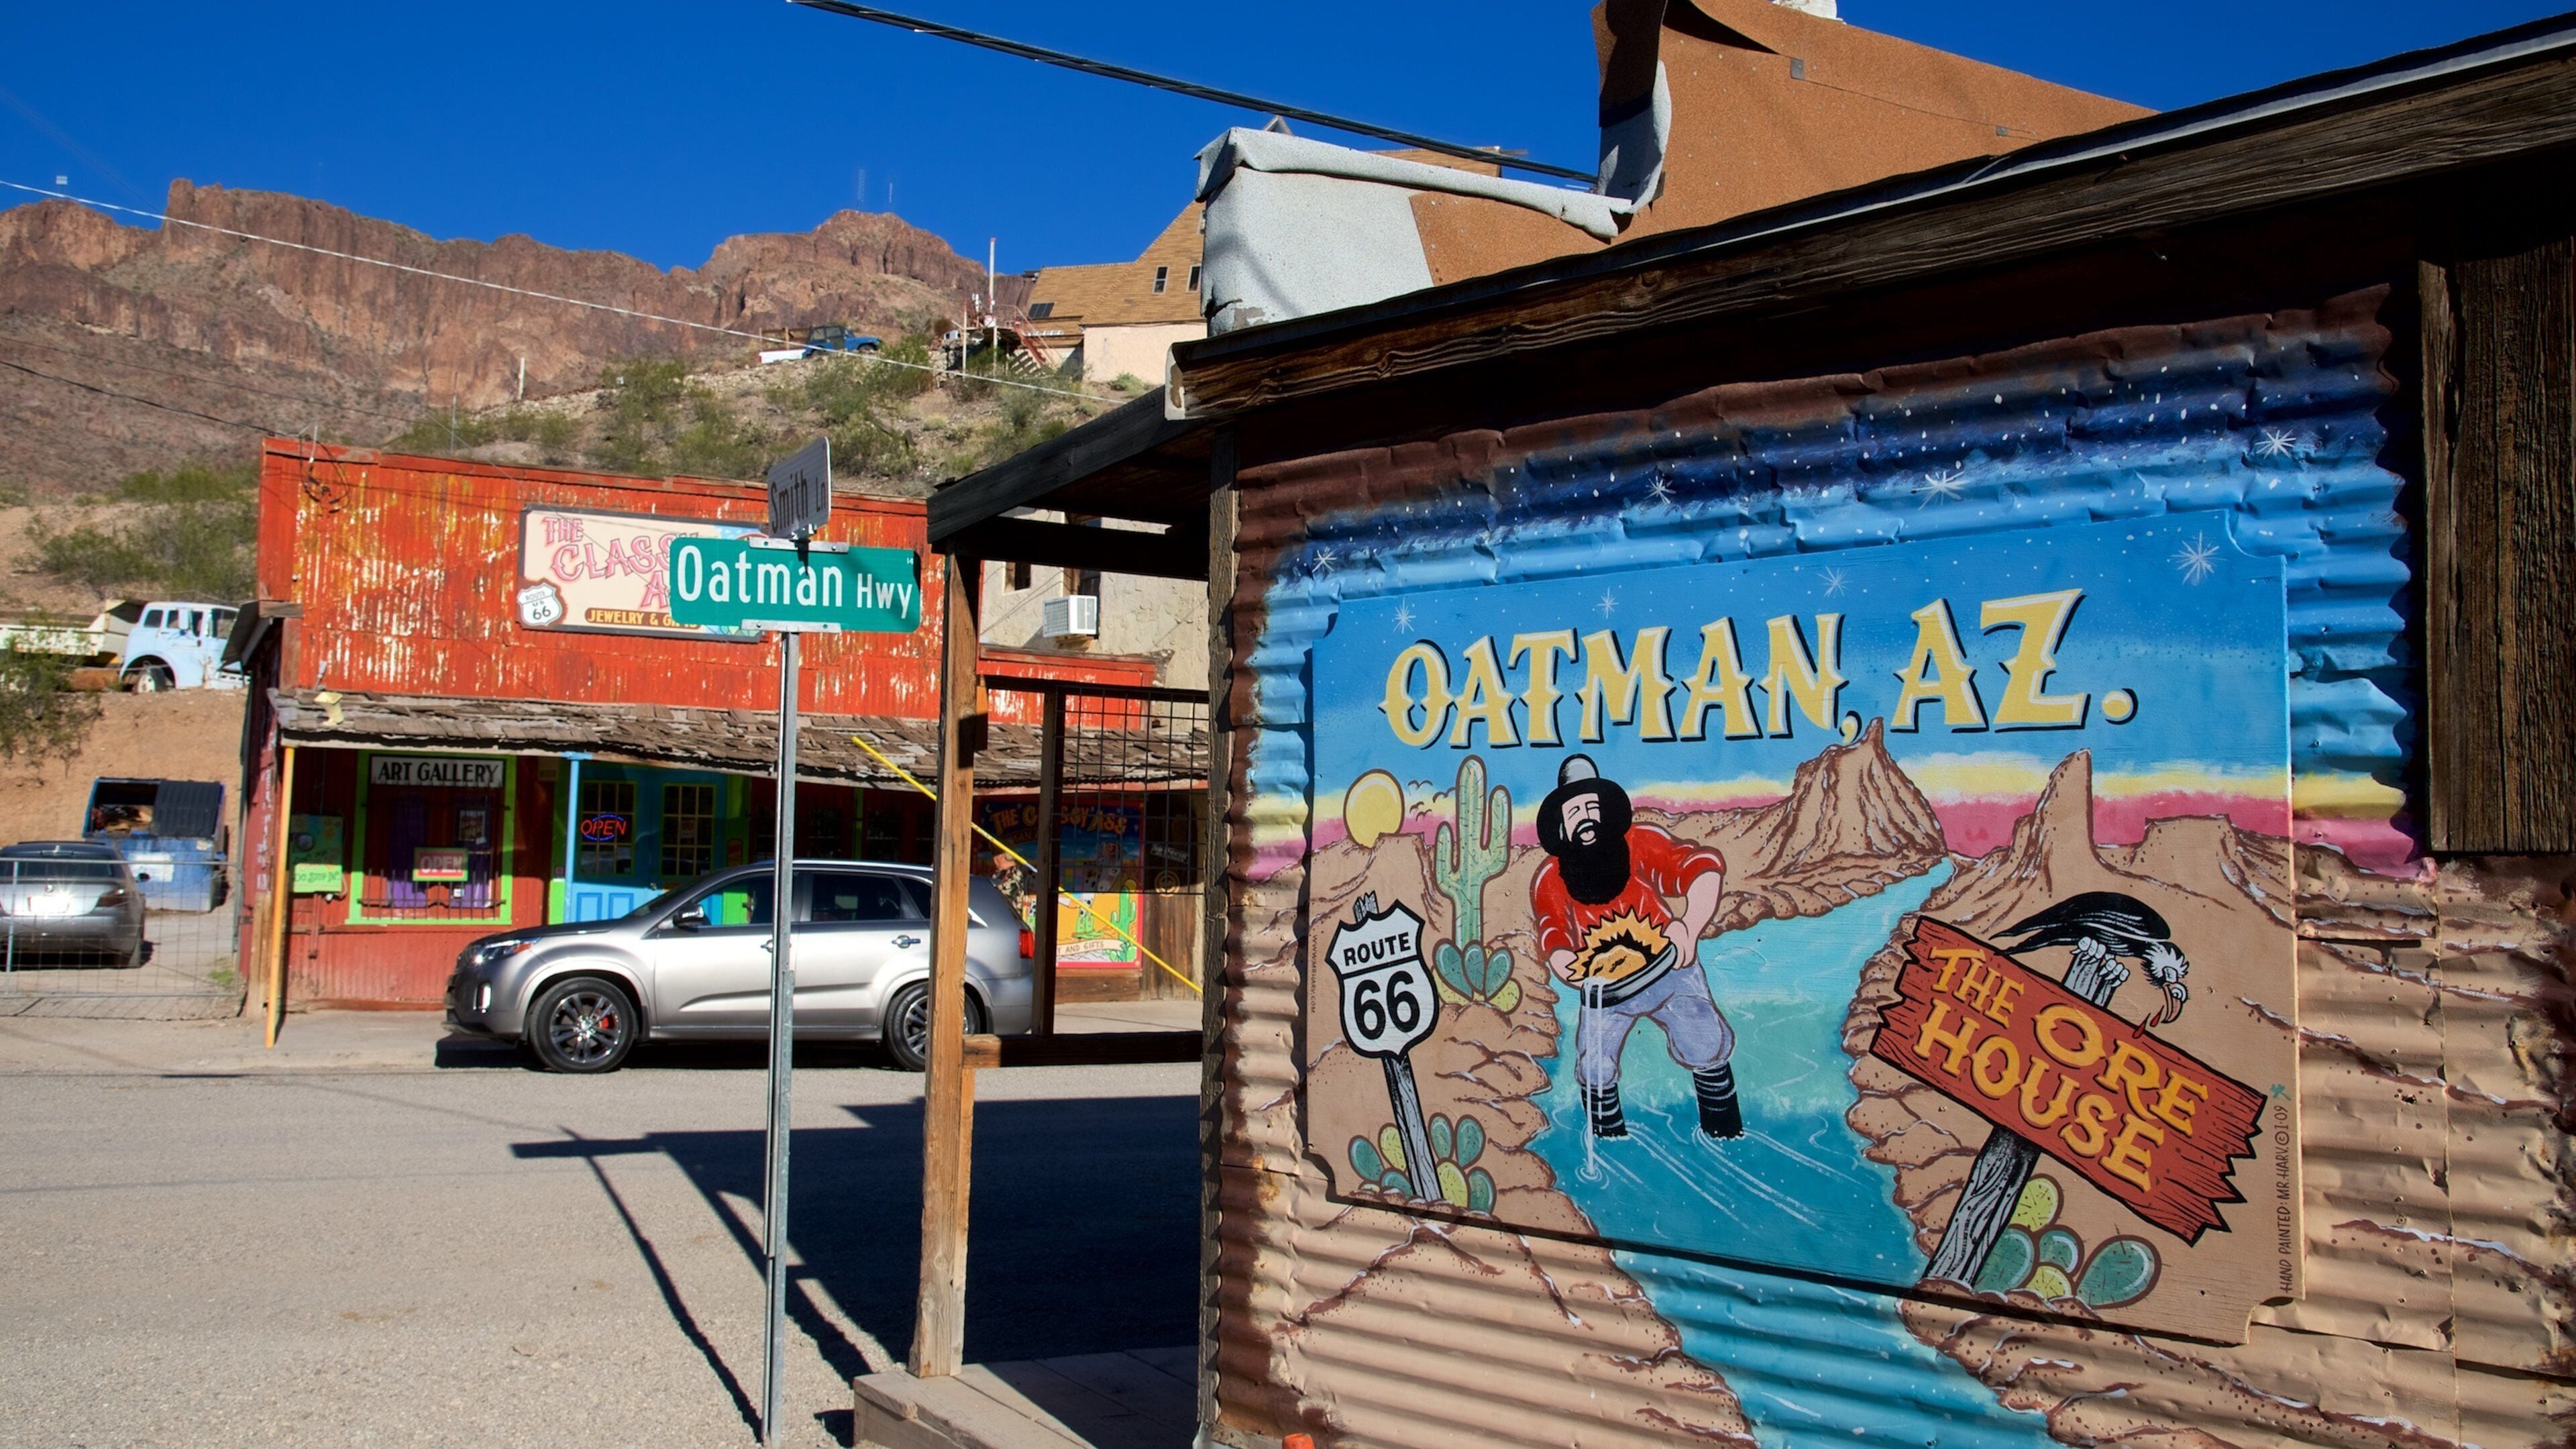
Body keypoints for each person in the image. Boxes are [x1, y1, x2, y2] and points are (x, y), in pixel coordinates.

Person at [1532, 754, 1742, 1140]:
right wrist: (1571, 970)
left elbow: (1702, 869)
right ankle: (1609, 1144)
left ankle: (1725, 1134)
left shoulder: (1639, 842)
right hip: (1604, 990)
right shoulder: (1551, 877)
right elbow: (1554, 938)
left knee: (1705, 1042)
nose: (1586, 818)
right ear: (1561, 822)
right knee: (1594, 1067)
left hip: (1670, 968)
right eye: (1575, 810)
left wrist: (1689, 927)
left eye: (1592, 806)